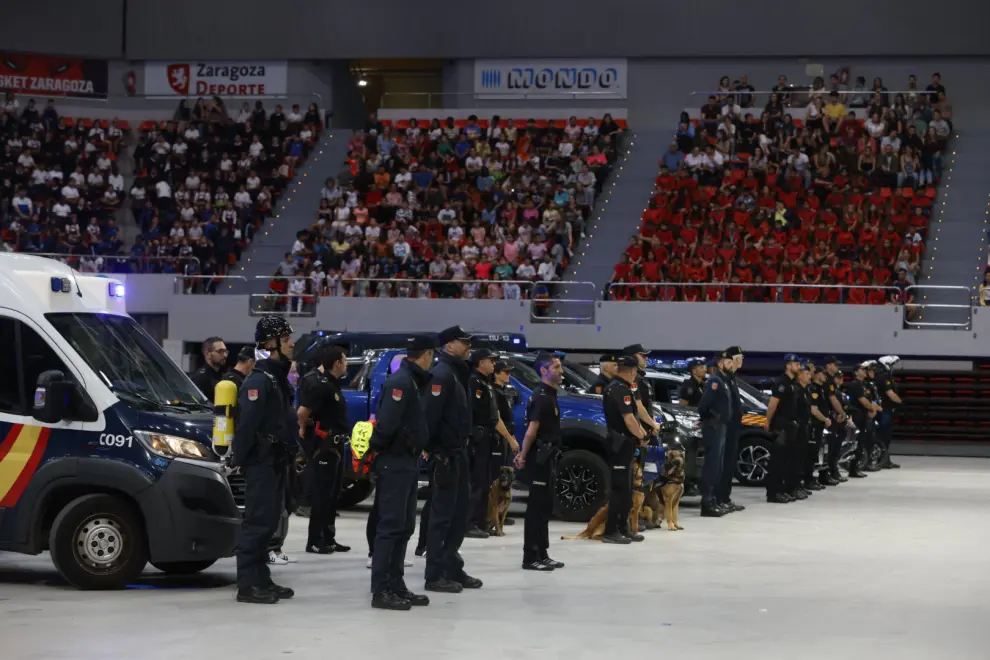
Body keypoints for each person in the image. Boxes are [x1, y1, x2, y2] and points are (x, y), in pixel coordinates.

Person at [230, 316, 297, 604]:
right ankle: (247, 584)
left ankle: (261, 578)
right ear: (272, 344)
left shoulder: (276, 379)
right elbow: (246, 427)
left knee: (269, 522)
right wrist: (239, 460)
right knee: (257, 522)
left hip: (276, 462)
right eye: (286, 339)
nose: (292, 343)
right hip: (261, 463)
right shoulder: (258, 380)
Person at [368, 335, 435, 611]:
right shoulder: (401, 382)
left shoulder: (412, 381)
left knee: (404, 526)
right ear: (427, 354)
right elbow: (385, 426)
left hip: (407, 461)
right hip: (394, 462)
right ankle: (381, 589)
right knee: (391, 526)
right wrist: (381, 450)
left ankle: (396, 584)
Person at [424, 325, 482, 593]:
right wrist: (433, 451)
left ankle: (451, 567)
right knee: (442, 517)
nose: (468, 345)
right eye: (463, 342)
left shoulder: (458, 373)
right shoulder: (442, 374)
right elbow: (430, 417)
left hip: (460, 453)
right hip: (446, 455)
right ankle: (434, 574)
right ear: (448, 345)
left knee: (459, 516)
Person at [297, 345, 352, 555]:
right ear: (337, 363)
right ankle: (315, 540)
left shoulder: (332, 383)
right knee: (321, 495)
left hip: (336, 445)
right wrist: (303, 430)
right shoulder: (317, 383)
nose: (347, 365)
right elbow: (303, 412)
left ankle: (329, 538)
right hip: (324, 445)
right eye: (345, 361)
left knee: (332, 494)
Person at [515, 352, 565, 570]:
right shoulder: (541, 397)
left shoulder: (551, 395)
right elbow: (531, 431)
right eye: (556, 367)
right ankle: (530, 556)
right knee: (535, 508)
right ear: (544, 371)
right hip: (539, 457)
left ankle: (542, 552)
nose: (561, 371)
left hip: (549, 456)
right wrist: (523, 455)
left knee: (545, 506)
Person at [601, 354, 647, 543]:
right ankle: (611, 531)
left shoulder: (618, 387)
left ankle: (622, 527)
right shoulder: (620, 390)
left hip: (623, 443)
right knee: (620, 489)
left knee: (627, 489)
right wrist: (642, 436)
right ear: (633, 370)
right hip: (619, 444)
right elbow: (629, 420)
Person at [466, 348, 501, 538]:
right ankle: (470, 523)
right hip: (477, 438)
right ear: (480, 362)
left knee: (484, 481)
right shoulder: (473, 382)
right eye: (491, 360)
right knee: (477, 481)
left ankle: (480, 521)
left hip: (487, 438)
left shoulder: (485, 382)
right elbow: (471, 412)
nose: (494, 364)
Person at [697, 350, 735, 517]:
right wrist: (714, 417)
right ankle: (707, 503)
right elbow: (703, 406)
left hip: (721, 427)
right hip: (713, 427)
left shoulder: (723, 380)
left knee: (718, 467)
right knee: (711, 466)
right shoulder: (714, 381)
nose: (731, 365)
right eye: (729, 362)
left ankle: (714, 500)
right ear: (721, 363)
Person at [764, 354, 802, 504]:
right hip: (781, 425)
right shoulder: (782, 383)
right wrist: (767, 421)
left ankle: (781, 490)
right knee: (778, 461)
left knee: (786, 460)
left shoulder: (793, 383)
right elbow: (773, 404)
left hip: (790, 425)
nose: (798, 367)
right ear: (788, 365)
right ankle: (773, 493)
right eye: (796, 364)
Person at [717, 347, 746, 513]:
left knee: (729, 464)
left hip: (733, 427)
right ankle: (720, 497)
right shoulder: (722, 379)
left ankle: (725, 497)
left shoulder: (731, 378)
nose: (741, 361)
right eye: (739, 358)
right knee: (723, 464)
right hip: (725, 427)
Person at [846, 363, 880, 478]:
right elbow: (863, 401)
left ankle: (855, 467)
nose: (864, 371)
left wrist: (872, 409)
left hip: (863, 416)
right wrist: (872, 409)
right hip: (857, 417)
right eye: (862, 369)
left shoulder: (863, 385)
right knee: (856, 443)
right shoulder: (856, 385)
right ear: (856, 372)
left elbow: (869, 400)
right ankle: (853, 468)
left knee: (860, 443)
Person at [806, 366, 834, 491]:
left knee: (816, 453)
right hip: (813, 425)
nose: (825, 376)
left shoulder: (821, 389)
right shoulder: (813, 389)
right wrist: (825, 419)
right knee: (810, 454)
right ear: (817, 374)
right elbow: (814, 410)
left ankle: (811, 478)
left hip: (819, 426)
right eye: (823, 374)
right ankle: (808, 479)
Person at [821, 357, 849, 484]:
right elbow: (832, 399)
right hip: (826, 417)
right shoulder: (826, 379)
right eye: (835, 365)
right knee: (828, 447)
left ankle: (830, 472)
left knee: (832, 447)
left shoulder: (830, 380)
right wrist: (841, 412)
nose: (837, 367)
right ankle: (825, 474)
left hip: (831, 417)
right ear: (829, 365)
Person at [874, 356, 903, 469]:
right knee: (883, 436)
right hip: (885, 411)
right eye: (891, 365)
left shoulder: (886, 377)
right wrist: (901, 403)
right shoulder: (883, 377)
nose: (893, 367)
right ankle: (881, 460)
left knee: (886, 436)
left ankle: (885, 459)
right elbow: (890, 394)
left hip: (888, 410)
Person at [191, 336, 227, 400]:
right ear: (208, 354)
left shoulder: (222, 375)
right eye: (220, 351)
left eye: (225, 351)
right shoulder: (200, 378)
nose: (225, 355)